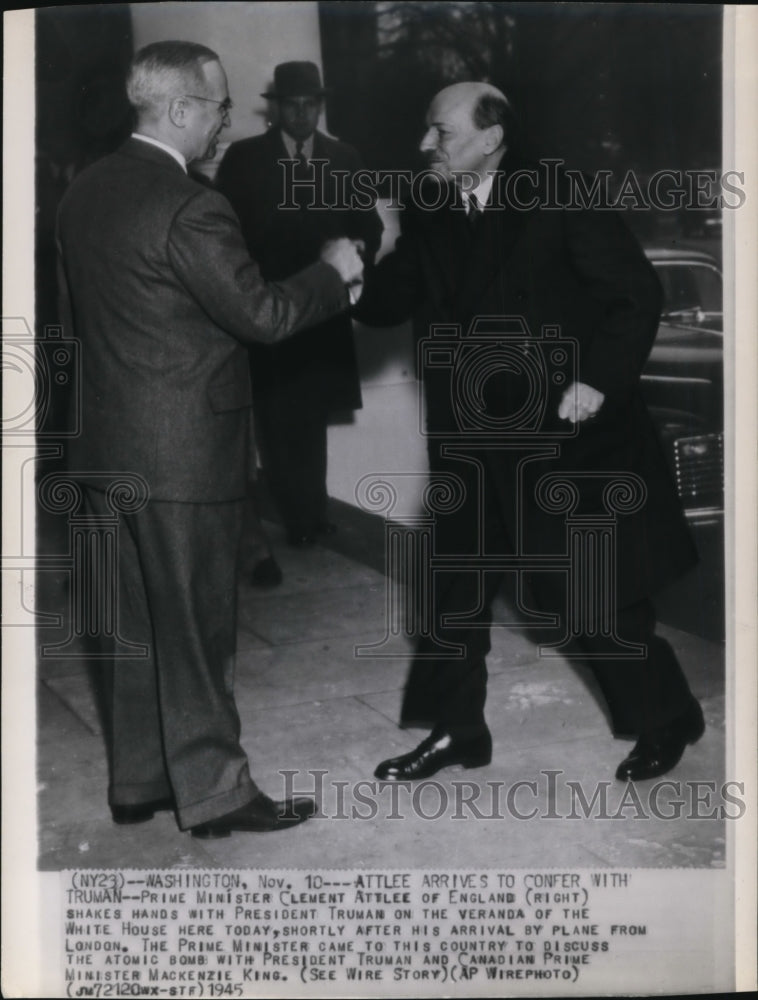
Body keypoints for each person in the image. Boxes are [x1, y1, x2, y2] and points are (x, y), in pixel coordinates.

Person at [355, 82, 704, 784]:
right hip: (470, 433)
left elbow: (636, 294)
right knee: (454, 588)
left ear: (491, 139)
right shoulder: (431, 205)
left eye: (441, 132)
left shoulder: (558, 189)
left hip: (564, 429)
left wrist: (596, 382)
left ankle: (667, 716)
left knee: (595, 596)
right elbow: (396, 297)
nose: (426, 145)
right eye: (427, 131)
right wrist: (356, 266)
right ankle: (457, 731)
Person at [56, 41, 363, 837]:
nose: (228, 122)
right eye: (221, 107)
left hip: (102, 448)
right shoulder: (192, 203)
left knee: (126, 625)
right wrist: (333, 270)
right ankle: (218, 794)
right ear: (183, 109)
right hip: (183, 453)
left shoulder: (82, 192)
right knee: (195, 629)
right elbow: (261, 315)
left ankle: (138, 784)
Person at [217, 61, 383, 547]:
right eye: (293, 104)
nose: (303, 113)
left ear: (320, 106)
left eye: (311, 103)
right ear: (278, 108)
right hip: (267, 306)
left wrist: (353, 258)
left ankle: (309, 516)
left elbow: (368, 227)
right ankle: (294, 512)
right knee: (272, 415)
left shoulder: (344, 156)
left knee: (311, 415)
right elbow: (225, 234)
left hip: (323, 314)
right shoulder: (246, 159)